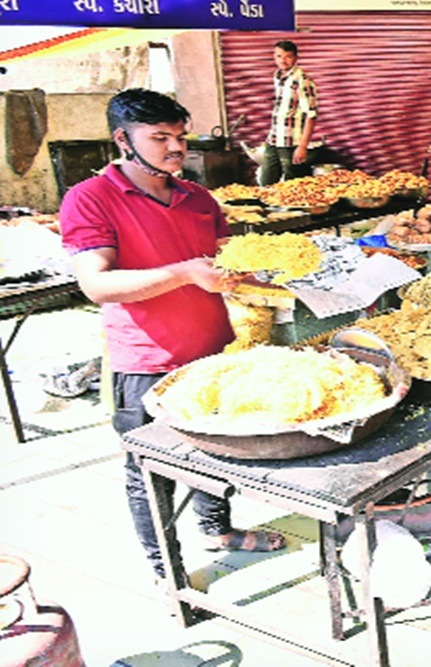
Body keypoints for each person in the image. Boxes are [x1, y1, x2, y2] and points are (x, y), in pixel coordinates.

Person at [59, 89, 286, 581]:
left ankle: (217, 529)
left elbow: (226, 264)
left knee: (215, 453)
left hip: (213, 353)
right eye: (159, 137)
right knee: (150, 472)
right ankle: (167, 572)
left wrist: (273, 273)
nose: (176, 147)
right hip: (148, 362)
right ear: (123, 139)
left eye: (180, 136)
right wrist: (183, 273)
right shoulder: (90, 198)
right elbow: (96, 285)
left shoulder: (197, 197)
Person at [260, 40, 318, 185]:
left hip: (292, 142)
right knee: (266, 182)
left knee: (293, 185)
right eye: (279, 56)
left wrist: (302, 147)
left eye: (288, 56)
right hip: (274, 140)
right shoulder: (278, 76)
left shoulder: (302, 79)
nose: (283, 60)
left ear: (296, 58)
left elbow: (311, 115)